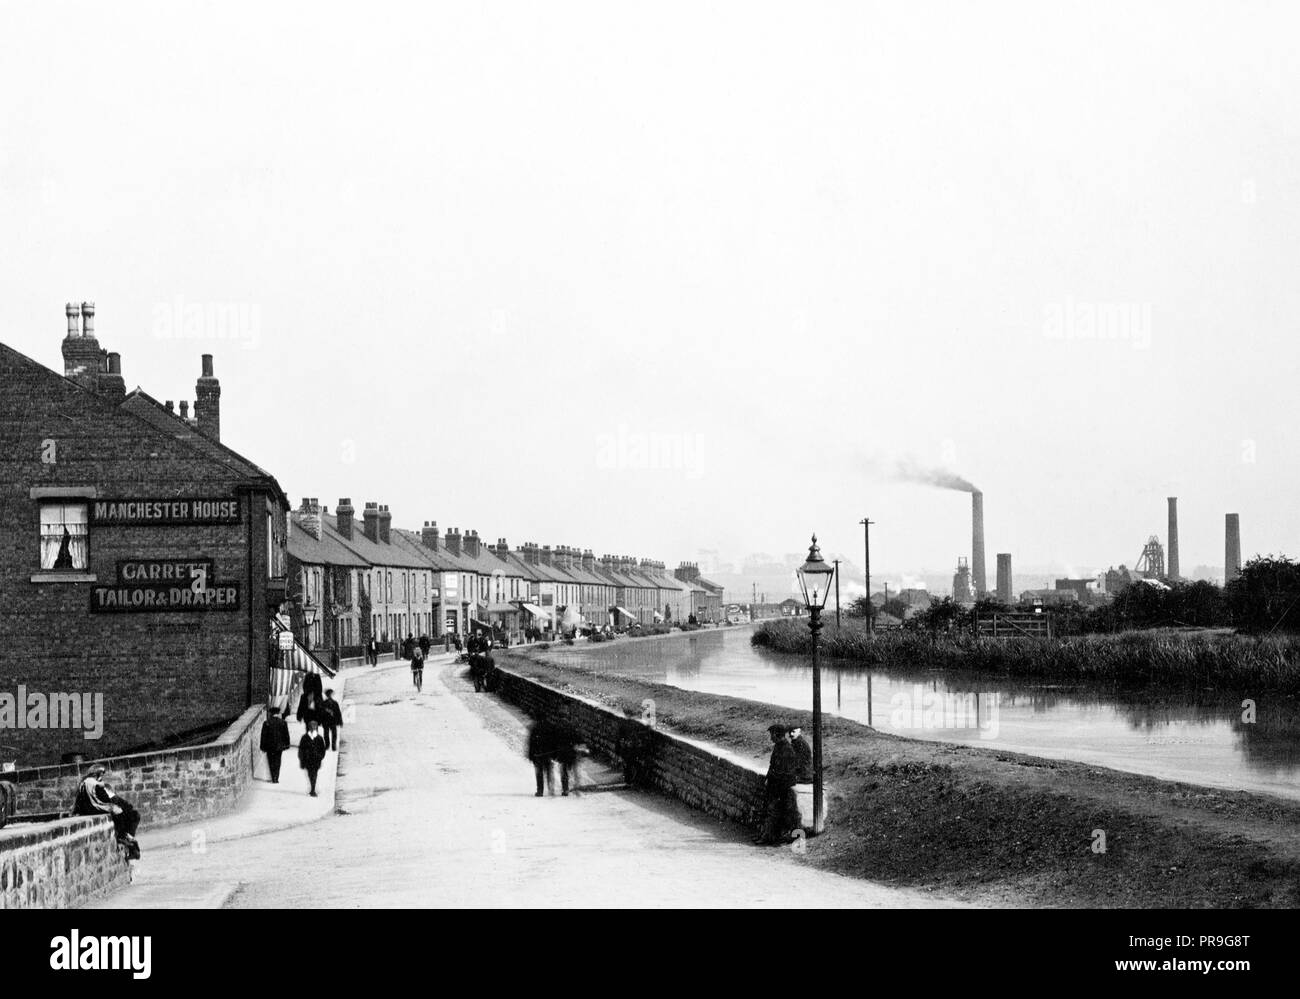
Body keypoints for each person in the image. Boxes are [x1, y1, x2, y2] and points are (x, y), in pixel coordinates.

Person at [73, 765, 141, 852]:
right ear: (96, 774)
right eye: (100, 774)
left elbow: (78, 800)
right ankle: (122, 836)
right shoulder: (96, 784)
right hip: (95, 807)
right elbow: (105, 799)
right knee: (119, 810)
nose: (101, 777)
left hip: (86, 809)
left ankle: (126, 837)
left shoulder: (83, 783)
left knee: (126, 810)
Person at [754, 724, 799, 845]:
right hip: (776, 784)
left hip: (782, 786)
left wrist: (774, 782)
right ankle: (766, 835)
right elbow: (772, 765)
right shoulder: (779, 747)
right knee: (769, 810)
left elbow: (784, 771)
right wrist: (768, 778)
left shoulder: (786, 749)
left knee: (773, 811)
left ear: (777, 735)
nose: (770, 738)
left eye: (772, 735)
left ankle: (768, 837)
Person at [260, 705, 291, 782]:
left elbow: (263, 736)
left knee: (271, 761)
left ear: (271, 713)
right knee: (278, 761)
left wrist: (262, 746)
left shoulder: (266, 723)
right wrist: (287, 744)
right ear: (278, 713)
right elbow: (286, 735)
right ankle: (276, 777)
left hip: (269, 746)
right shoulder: (283, 722)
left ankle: (273, 776)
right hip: (279, 746)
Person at [298, 719, 327, 796]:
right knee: (310, 774)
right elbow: (301, 749)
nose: (313, 729)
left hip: (316, 760)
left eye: (314, 727)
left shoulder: (319, 738)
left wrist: (320, 757)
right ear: (309, 728)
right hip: (307, 760)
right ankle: (312, 788)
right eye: (311, 727)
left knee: (314, 774)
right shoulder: (304, 737)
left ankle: (313, 789)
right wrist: (302, 759)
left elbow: (323, 750)